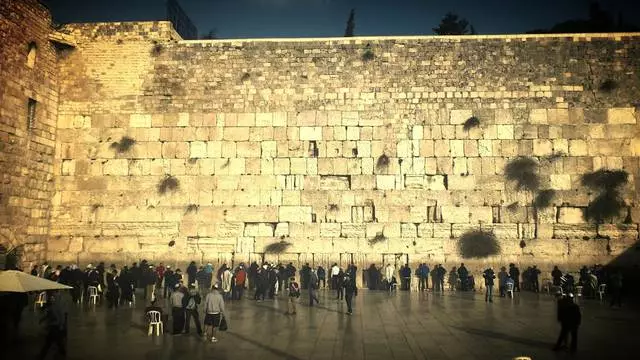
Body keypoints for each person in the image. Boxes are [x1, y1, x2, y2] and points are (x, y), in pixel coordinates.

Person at [38, 291, 68, 360]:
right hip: (54, 327)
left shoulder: (56, 307)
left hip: (55, 327)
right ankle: (62, 353)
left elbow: (60, 317)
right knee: (57, 342)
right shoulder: (52, 307)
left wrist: (60, 325)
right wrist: (43, 319)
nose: (51, 299)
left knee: (49, 343)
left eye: (53, 298)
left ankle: (42, 356)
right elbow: (49, 315)